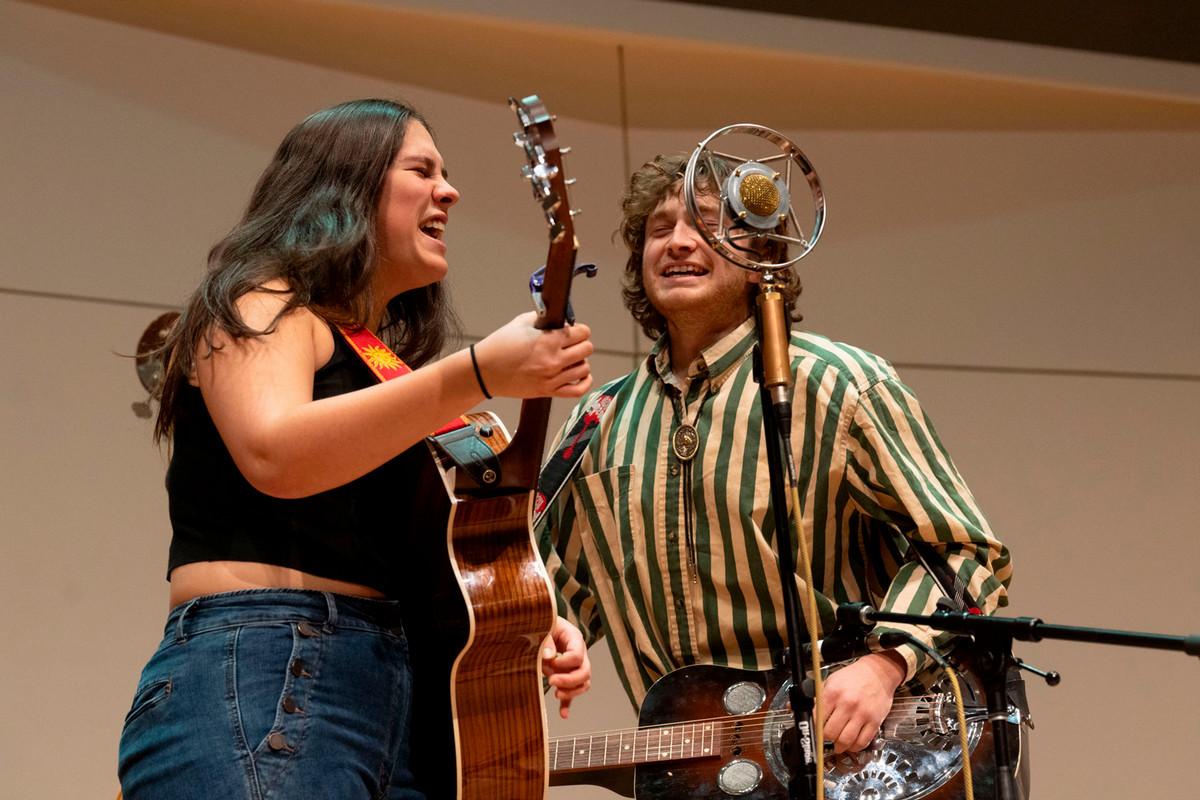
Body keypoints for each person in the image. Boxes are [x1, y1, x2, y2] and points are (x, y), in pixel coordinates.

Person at [117, 98, 593, 800]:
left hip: (388, 690)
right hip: (271, 662)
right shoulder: (261, 298)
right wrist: (479, 372)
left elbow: (427, 552)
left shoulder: (382, 367)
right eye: (421, 169)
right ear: (348, 184)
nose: (451, 191)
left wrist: (521, 616)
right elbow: (275, 454)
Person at [537, 153, 1012, 756]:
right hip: (689, 772)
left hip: (850, 754)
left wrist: (887, 663)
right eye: (660, 229)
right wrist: (557, 634)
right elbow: (552, 591)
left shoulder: (840, 384)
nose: (679, 243)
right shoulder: (596, 420)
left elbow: (968, 555)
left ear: (762, 256)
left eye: (706, 225)